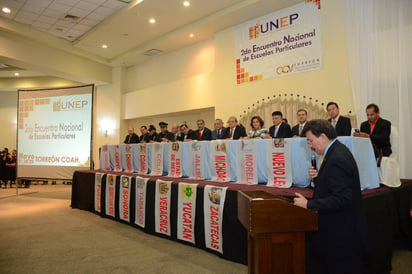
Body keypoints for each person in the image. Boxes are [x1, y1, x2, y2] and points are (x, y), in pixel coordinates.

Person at [294, 119, 368, 274]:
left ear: (322, 136)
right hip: (339, 231)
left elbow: (342, 199)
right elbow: (335, 186)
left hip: (342, 235)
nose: (310, 146)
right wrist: (318, 178)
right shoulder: (336, 150)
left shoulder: (337, 158)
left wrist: (308, 205)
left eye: (310, 141)